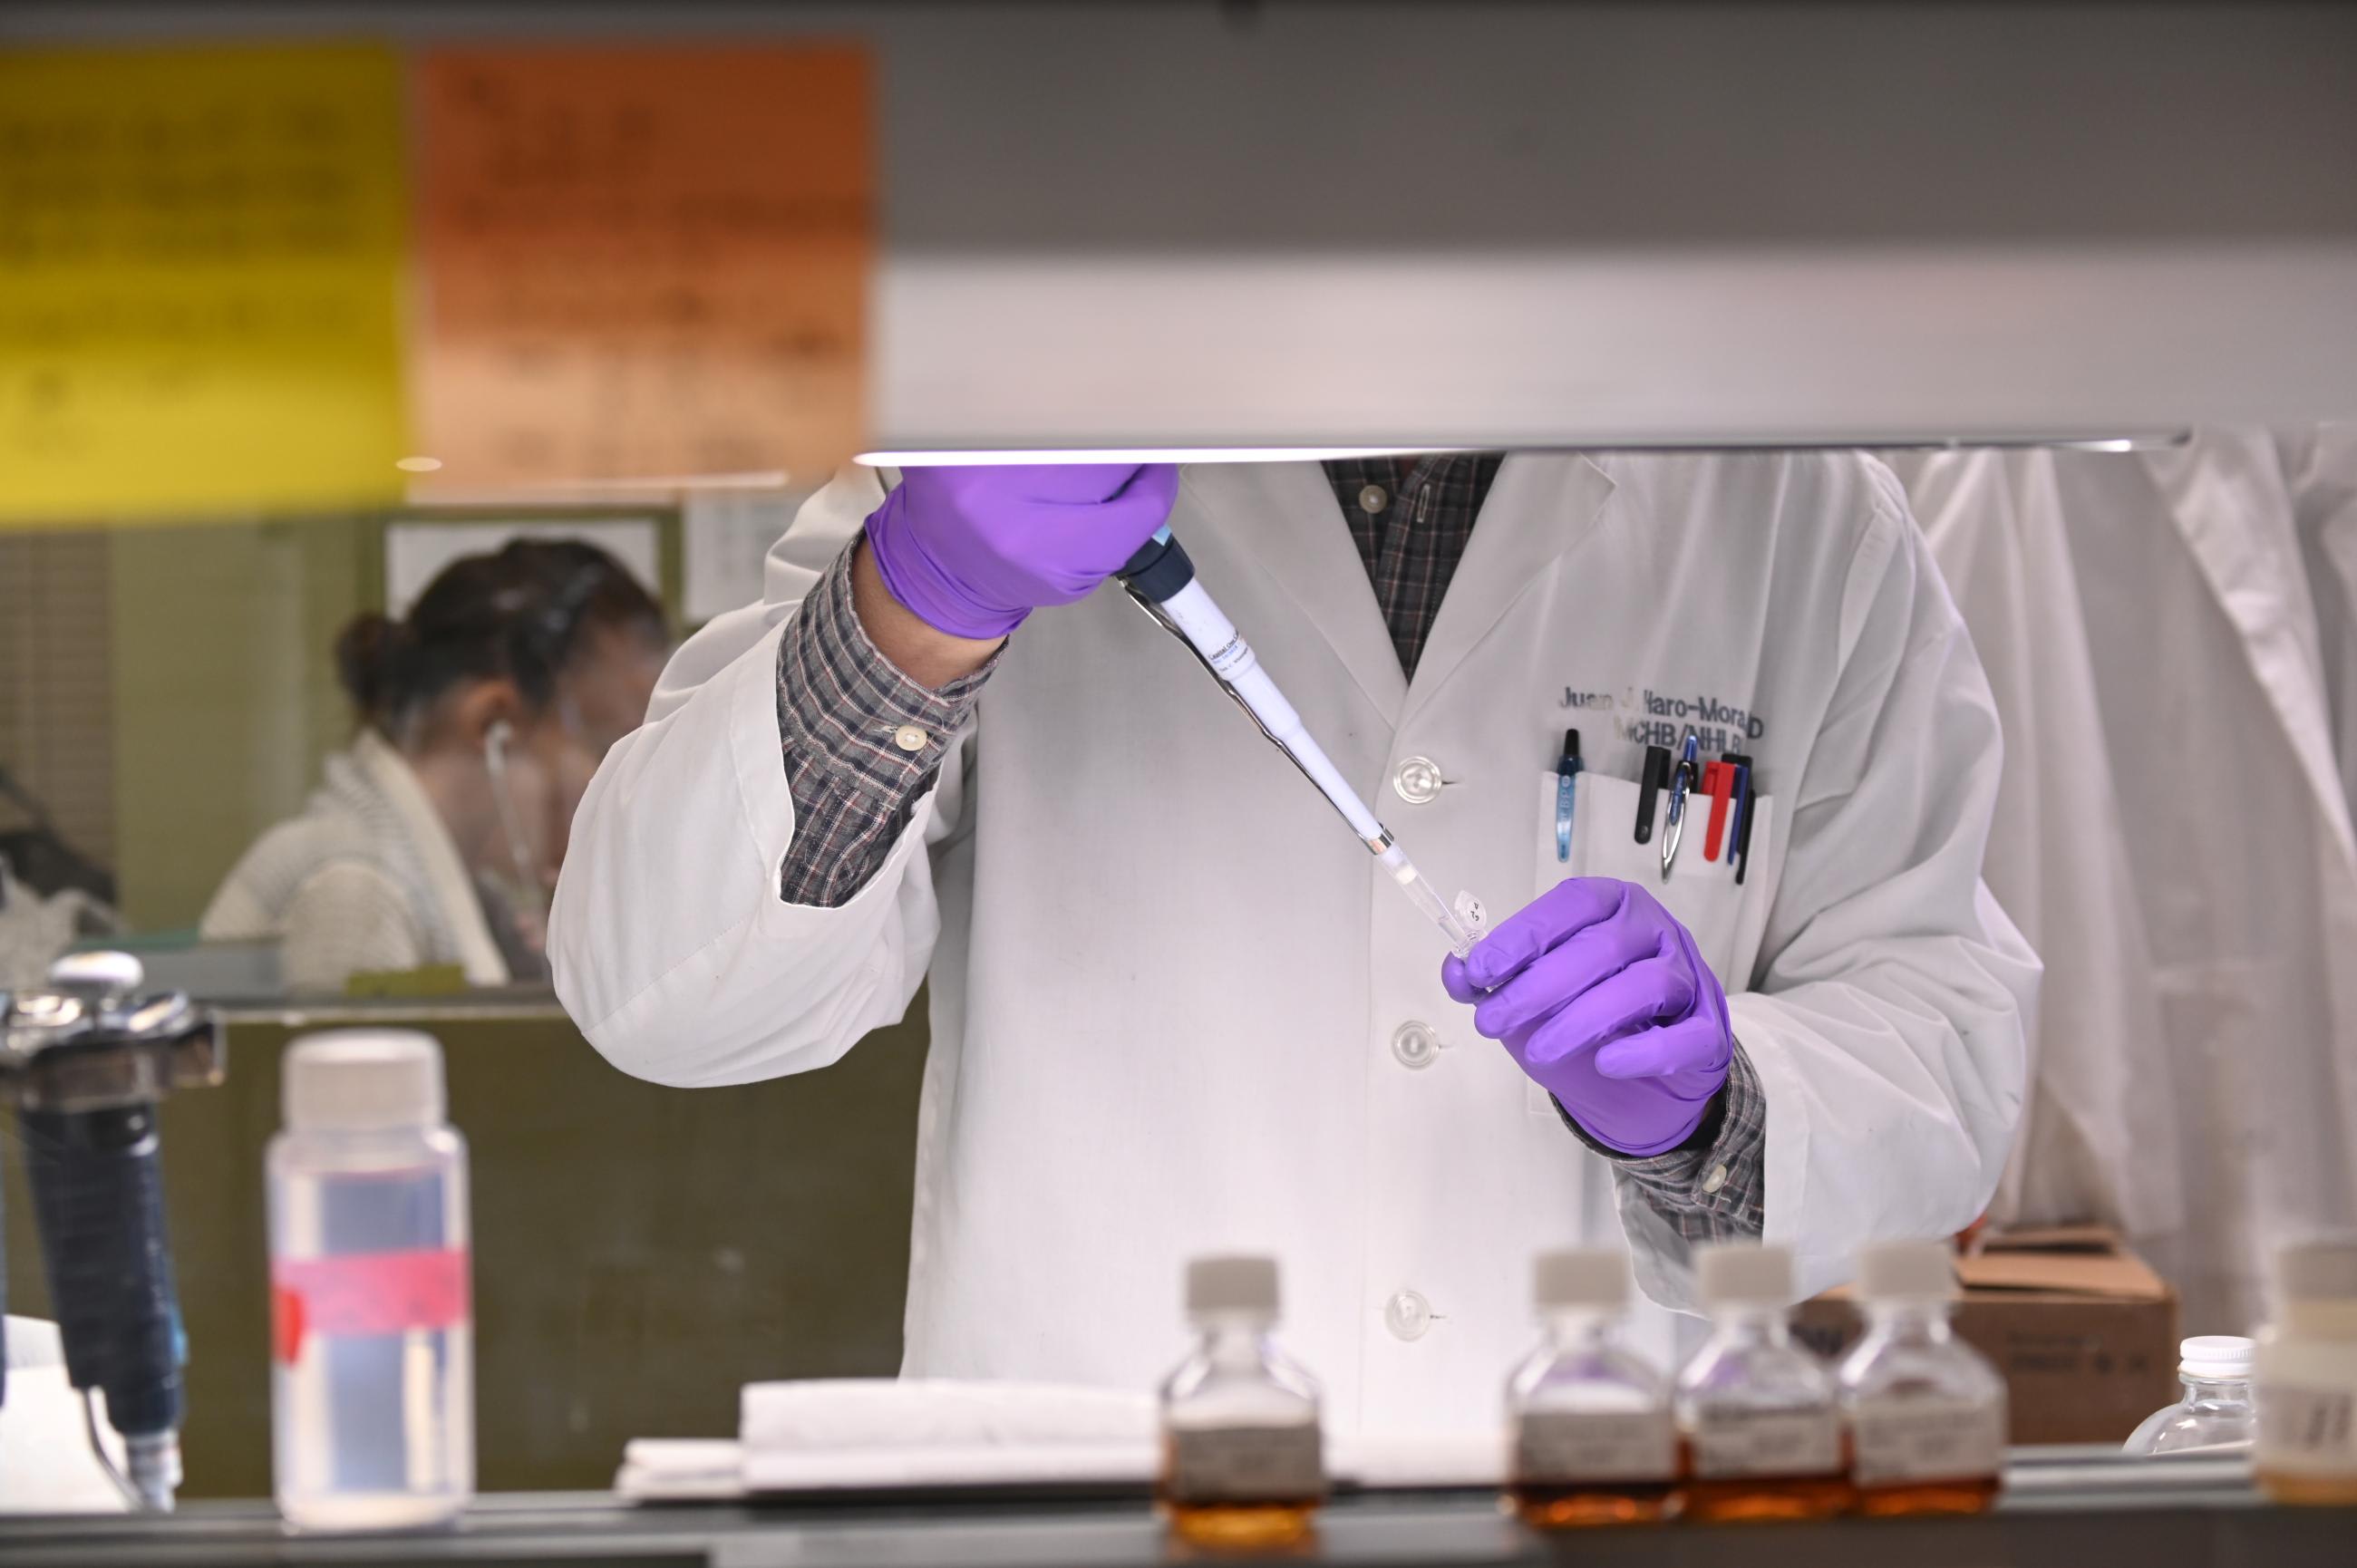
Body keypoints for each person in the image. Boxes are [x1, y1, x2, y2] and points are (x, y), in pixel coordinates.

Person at [551, 456, 2036, 1436]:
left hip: (1595, 1490)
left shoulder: (1790, 506)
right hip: (1100, 1497)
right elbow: (663, 986)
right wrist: (910, 606)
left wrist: (1720, 1106)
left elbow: (1943, 1040)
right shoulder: (1000, 453)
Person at [205, 538, 666, 993]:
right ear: (493, 722)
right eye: (610, 748)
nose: (624, 788)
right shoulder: (357, 891)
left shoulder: (463, 889)